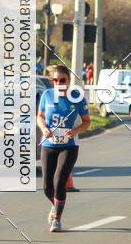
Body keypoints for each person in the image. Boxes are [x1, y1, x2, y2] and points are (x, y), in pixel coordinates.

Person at [37, 65, 91, 232]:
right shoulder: (47, 95)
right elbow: (40, 116)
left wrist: (75, 130)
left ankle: (57, 219)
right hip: (49, 144)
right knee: (47, 187)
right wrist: (44, 128)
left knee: (59, 181)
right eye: (55, 80)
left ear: (68, 81)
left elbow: (87, 121)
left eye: (62, 80)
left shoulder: (77, 98)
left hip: (69, 145)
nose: (58, 83)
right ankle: (56, 205)